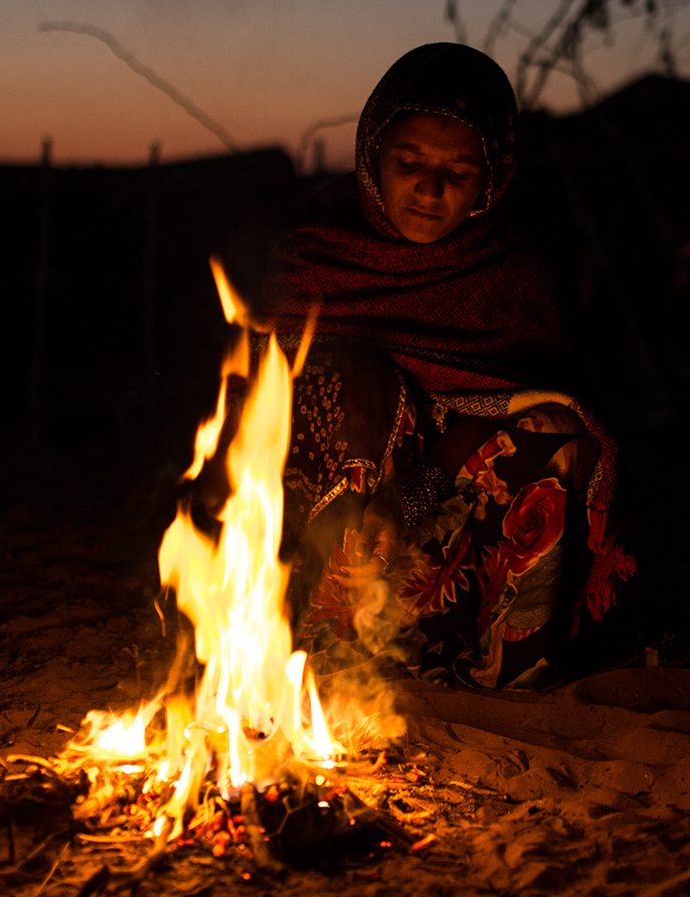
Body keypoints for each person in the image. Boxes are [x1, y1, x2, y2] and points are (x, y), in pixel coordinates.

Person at [257, 42, 633, 689]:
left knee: (557, 433)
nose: (430, 190)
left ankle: (494, 665)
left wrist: (411, 496)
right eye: (409, 163)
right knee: (343, 377)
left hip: (445, 513)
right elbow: (260, 417)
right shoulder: (316, 256)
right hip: (331, 522)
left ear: (492, 179)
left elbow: (523, 400)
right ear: (373, 152)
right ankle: (309, 640)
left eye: (458, 170)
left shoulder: (510, 267)